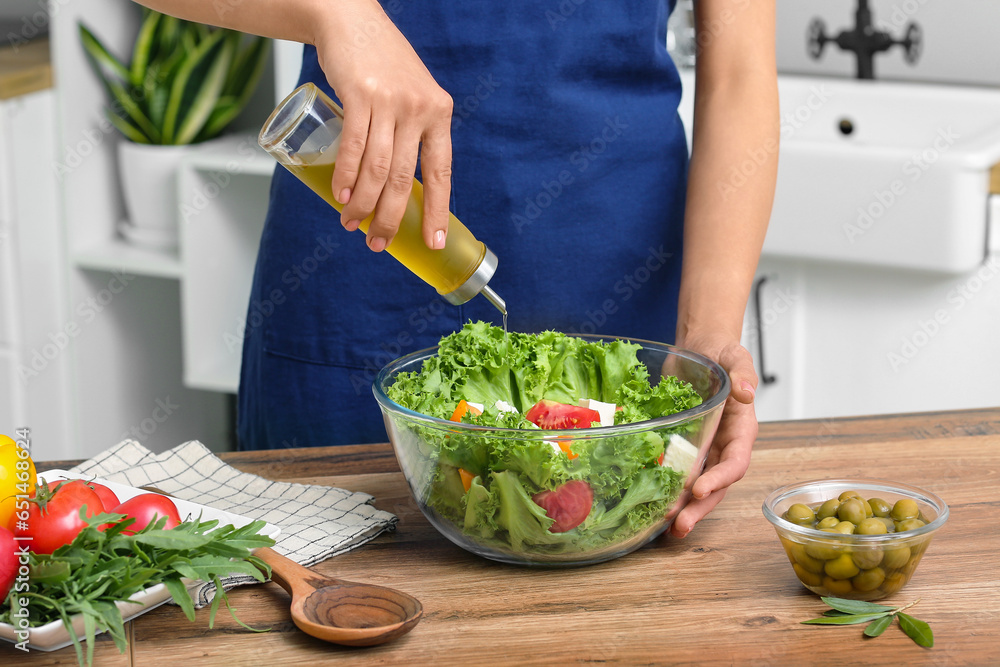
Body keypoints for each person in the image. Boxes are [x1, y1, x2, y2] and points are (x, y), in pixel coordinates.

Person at [135, 0, 778, 538]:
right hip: (360, 276)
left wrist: (709, 334)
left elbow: (740, 71)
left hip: (621, 274)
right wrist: (338, 15)